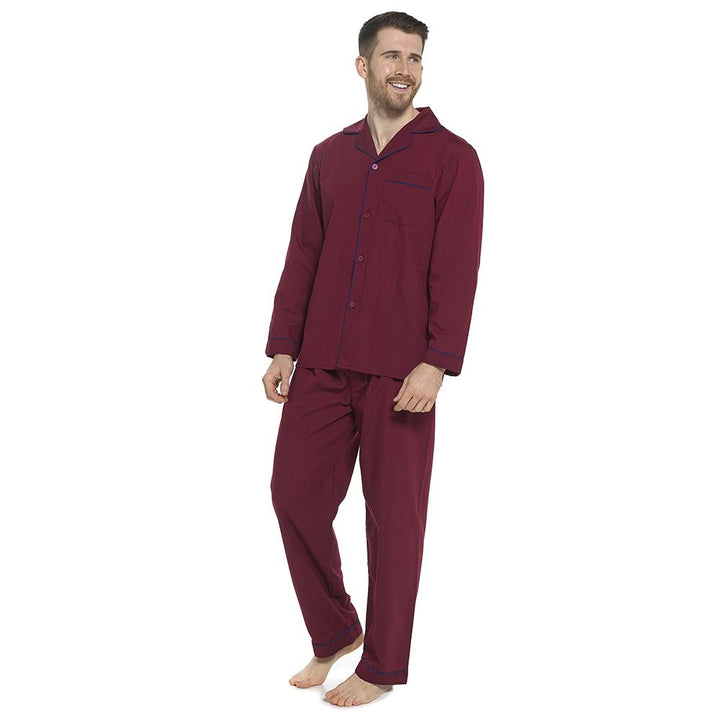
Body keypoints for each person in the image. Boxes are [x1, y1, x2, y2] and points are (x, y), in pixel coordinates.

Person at [261, 11, 484, 708]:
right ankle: (336, 630)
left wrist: (437, 361)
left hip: (401, 371)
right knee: (293, 494)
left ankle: (382, 666)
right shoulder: (329, 156)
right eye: (391, 56)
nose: (404, 69)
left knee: (394, 523)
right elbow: (303, 254)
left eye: (414, 58)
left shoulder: (454, 159)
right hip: (322, 361)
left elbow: (457, 267)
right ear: (363, 66)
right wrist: (283, 345)